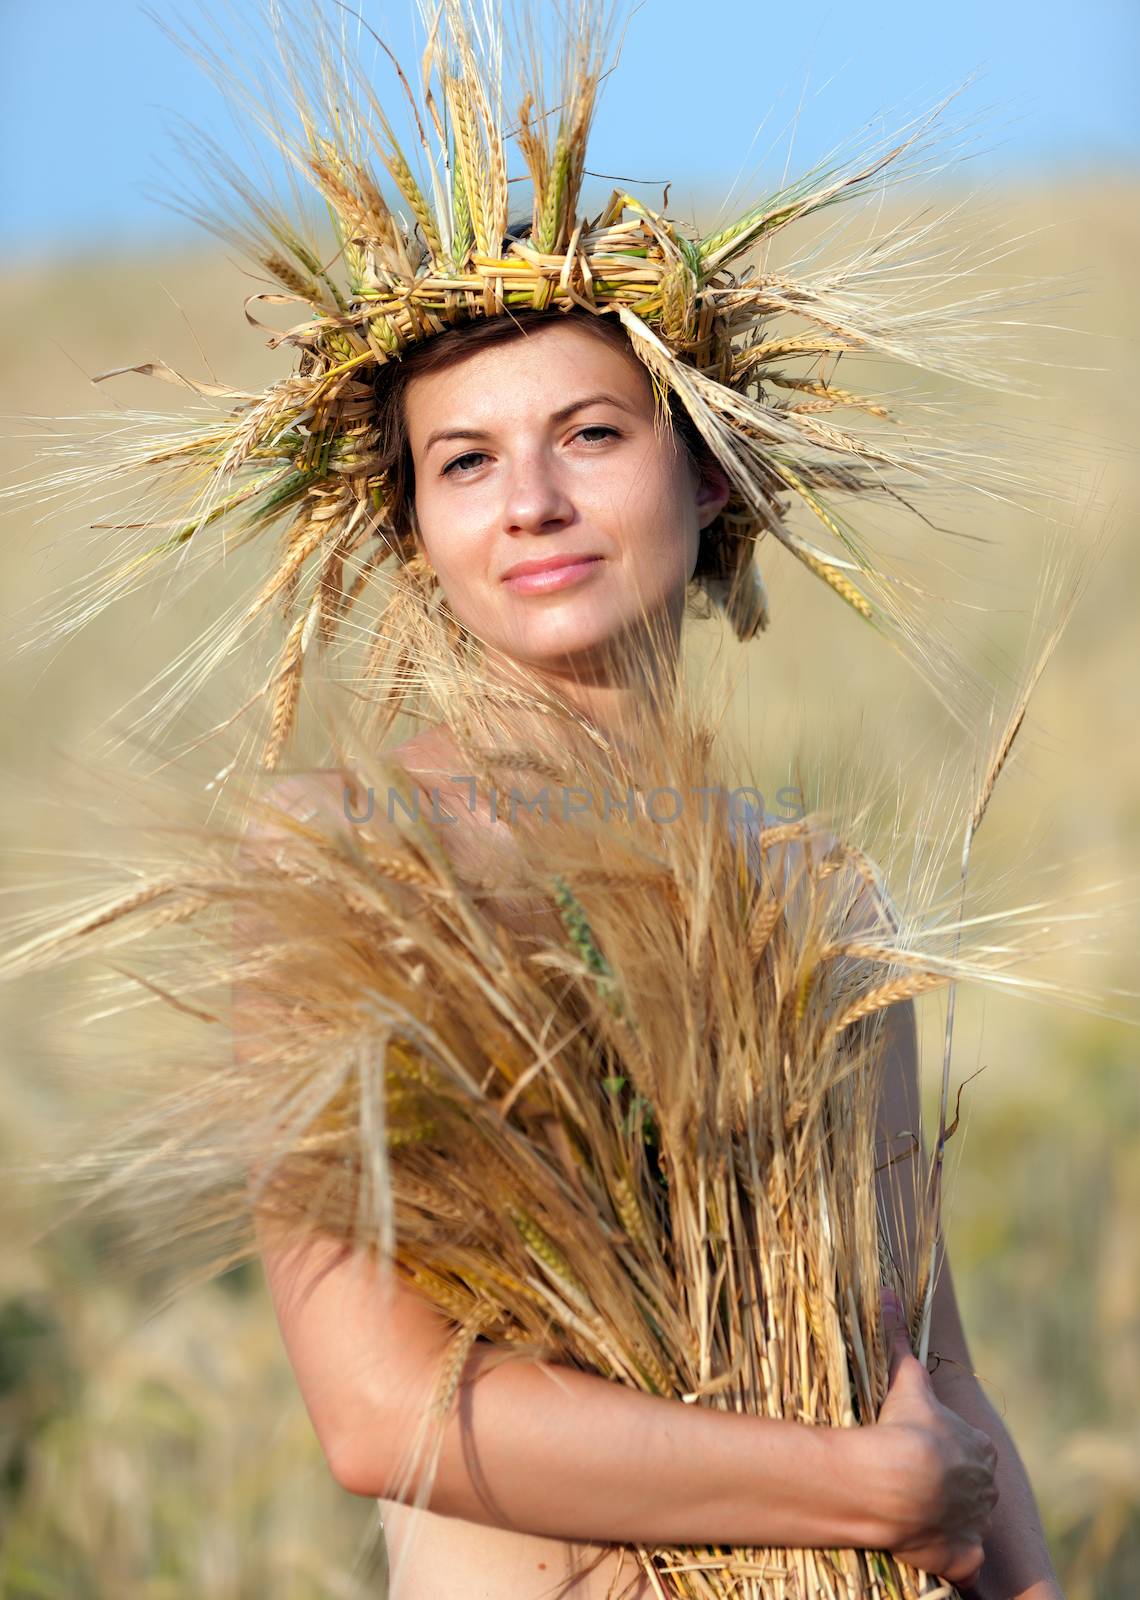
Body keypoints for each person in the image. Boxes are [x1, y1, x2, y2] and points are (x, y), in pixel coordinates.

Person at [240, 304, 1062, 1599]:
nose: (531, 502)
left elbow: (933, 1369)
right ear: (412, 531)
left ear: (707, 469)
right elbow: (378, 1408)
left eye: (590, 434)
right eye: (465, 461)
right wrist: (863, 1488)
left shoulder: (818, 889)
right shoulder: (354, 865)